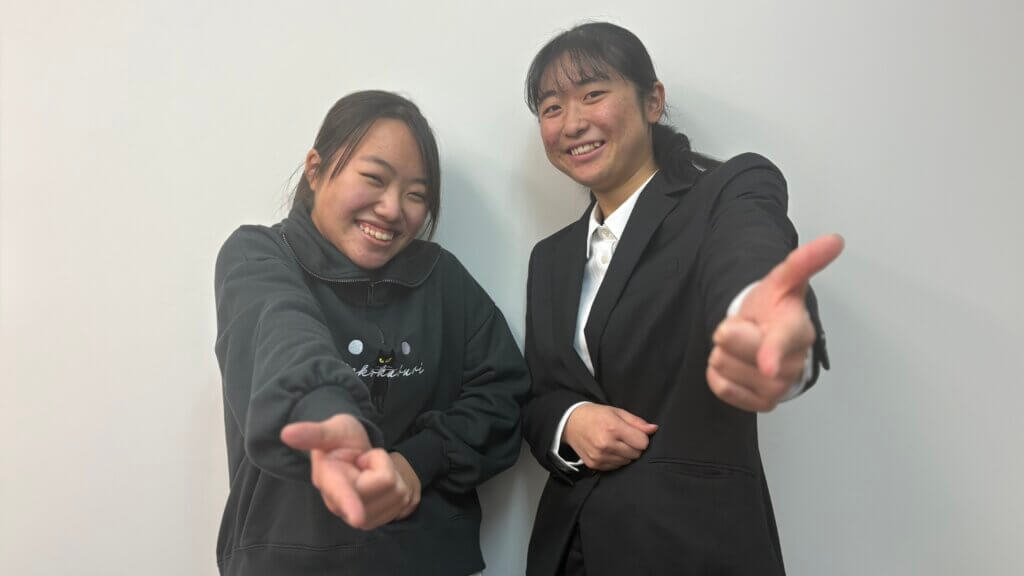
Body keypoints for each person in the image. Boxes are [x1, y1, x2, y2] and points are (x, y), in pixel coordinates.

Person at [520, 22, 844, 575]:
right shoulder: (549, 258)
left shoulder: (726, 192)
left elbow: (749, 255)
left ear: (653, 101)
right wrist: (569, 421)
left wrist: (762, 316)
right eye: (552, 107)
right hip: (569, 552)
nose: (571, 122)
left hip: (694, 548)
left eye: (593, 94)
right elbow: (541, 392)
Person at [213, 90, 529, 576]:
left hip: (426, 560)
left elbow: (503, 394)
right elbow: (284, 338)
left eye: (416, 194)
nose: (392, 208)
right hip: (290, 559)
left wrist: (416, 462)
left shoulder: (441, 278)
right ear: (315, 170)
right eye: (374, 179)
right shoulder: (259, 256)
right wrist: (332, 416)